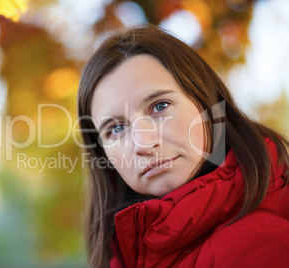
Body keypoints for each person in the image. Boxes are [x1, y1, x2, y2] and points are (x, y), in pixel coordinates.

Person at [77, 24, 289, 268]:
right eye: (116, 128)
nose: (143, 144)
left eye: (159, 106)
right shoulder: (128, 253)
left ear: (207, 103)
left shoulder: (256, 247)